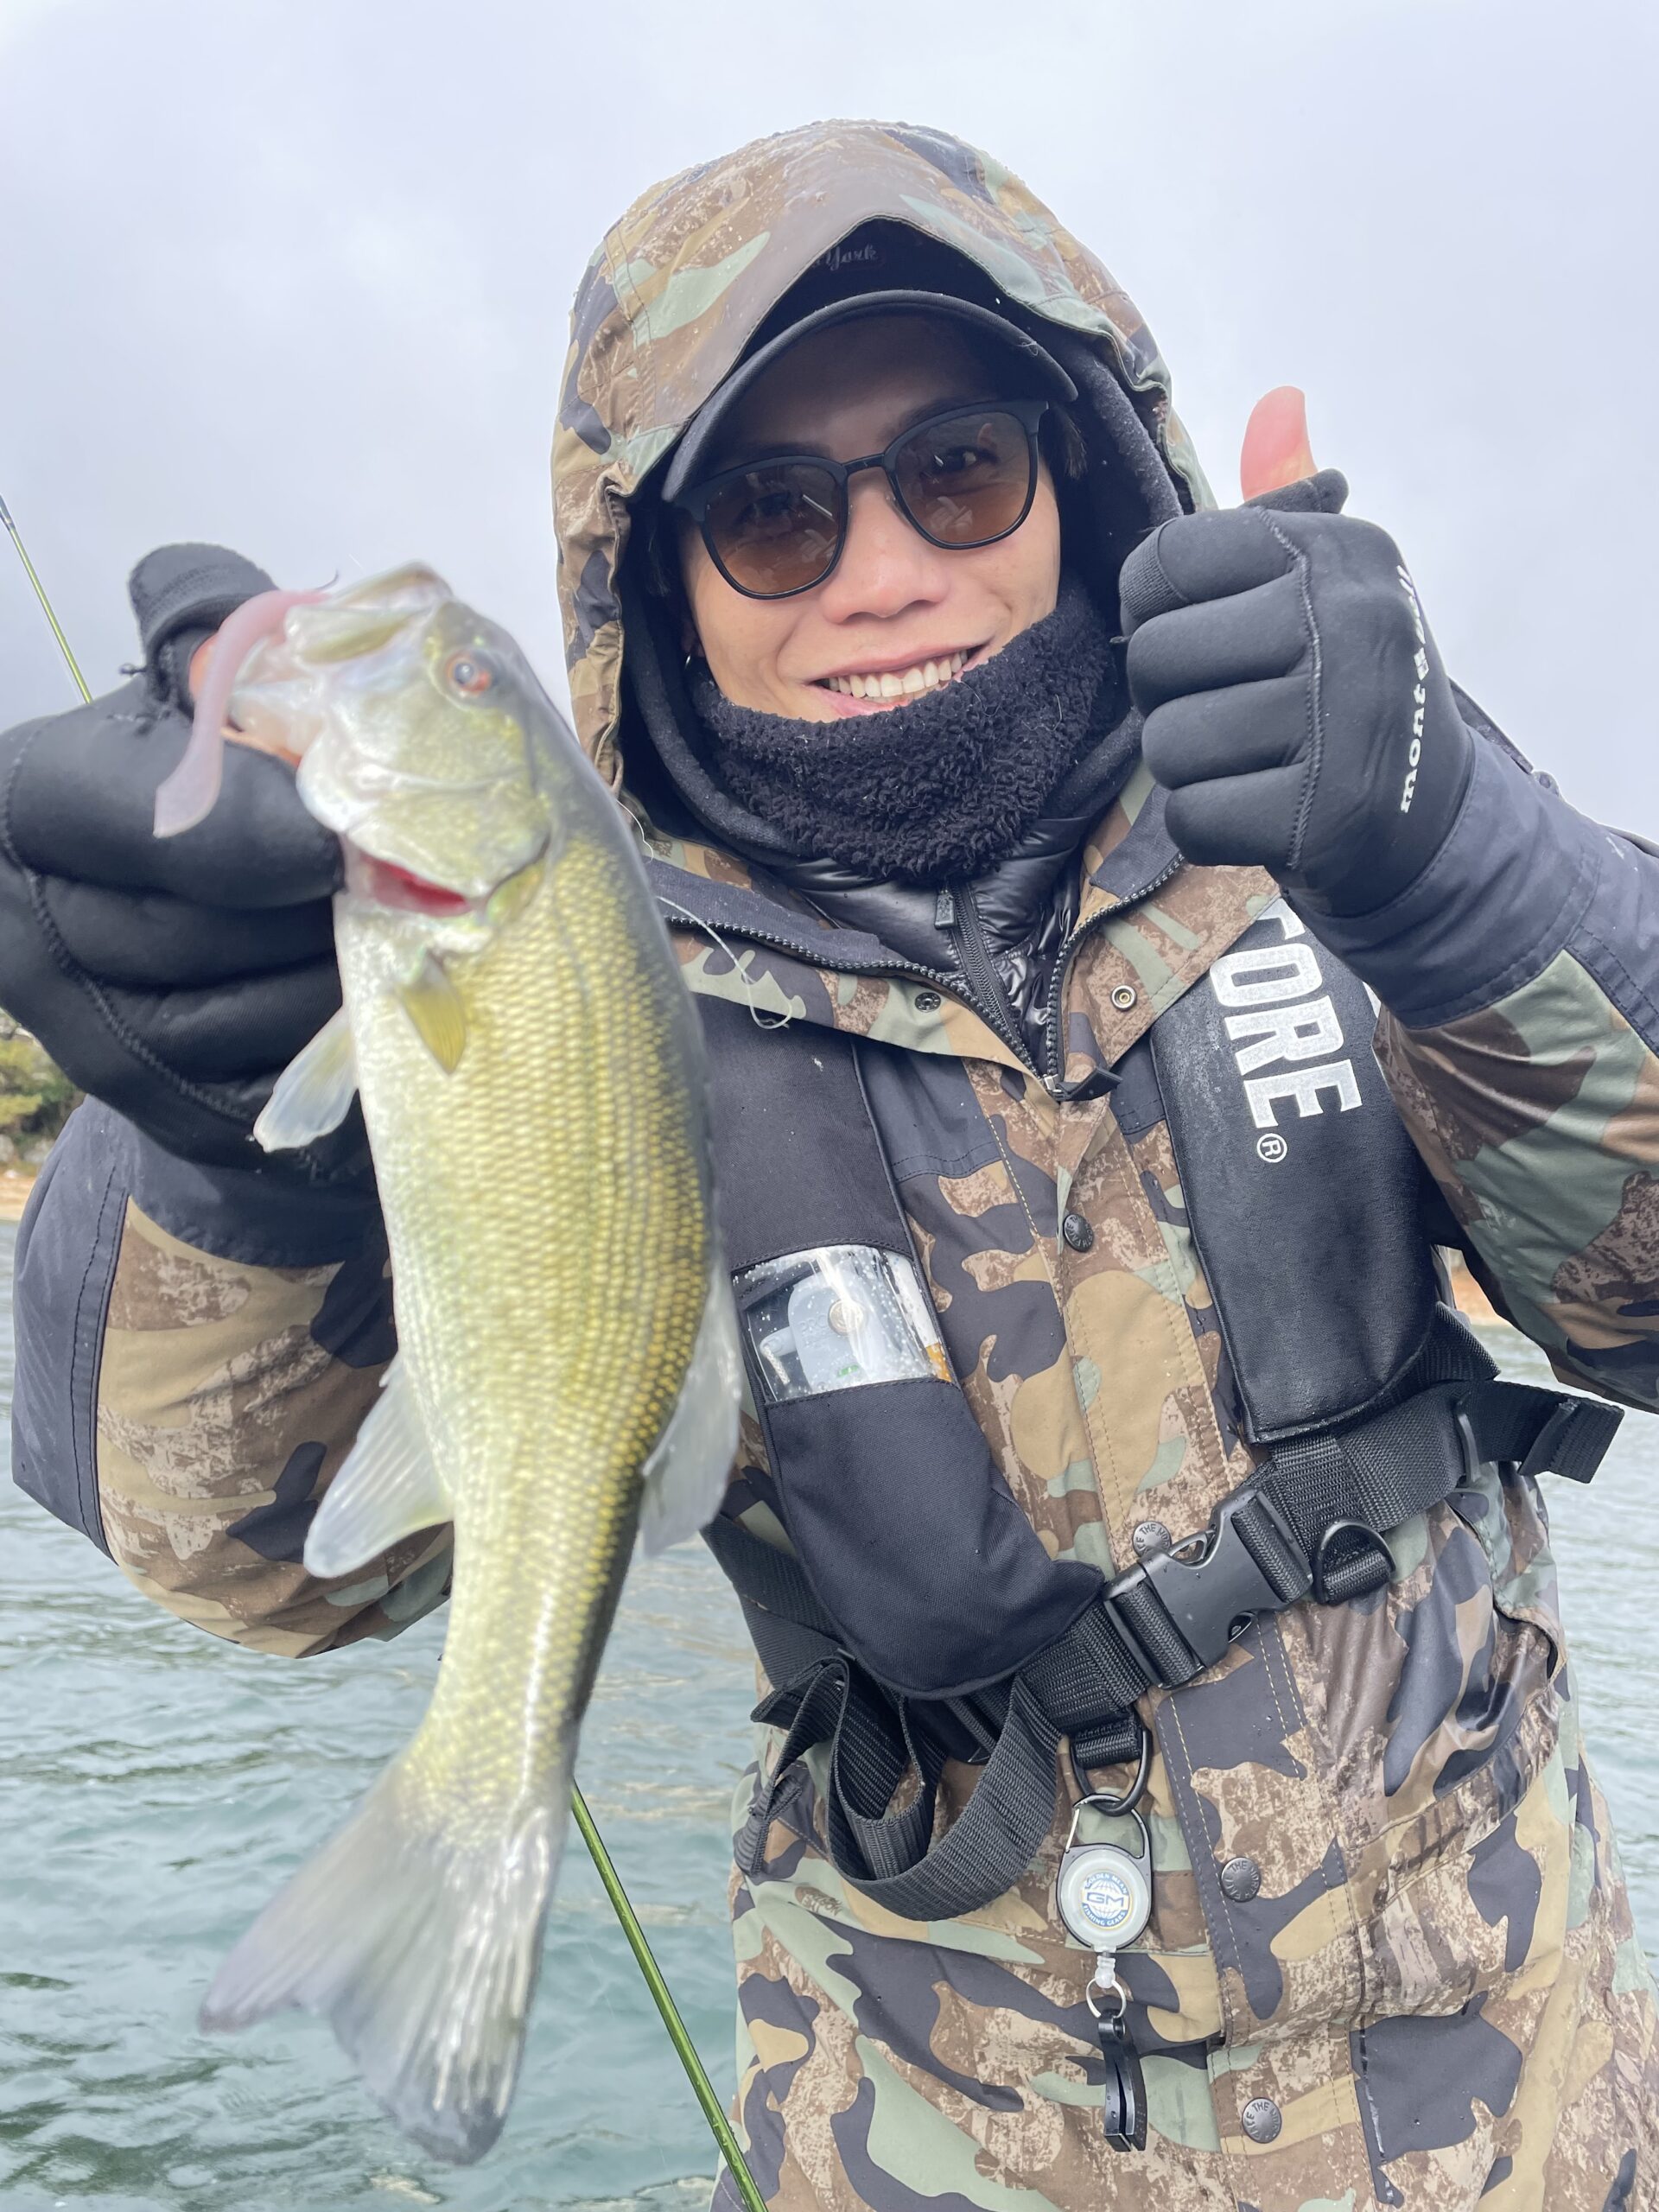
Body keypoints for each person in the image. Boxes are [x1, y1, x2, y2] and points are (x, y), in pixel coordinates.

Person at [4, 118, 1656, 2209]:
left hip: (1538, 2133)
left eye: (959, 468)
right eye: (774, 513)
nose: (883, 572)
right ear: (659, 579)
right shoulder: (596, 987)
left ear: (1079, 467)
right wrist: (221, 1146)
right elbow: (242, 1561)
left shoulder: (1334, 815)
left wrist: (1472, 865)